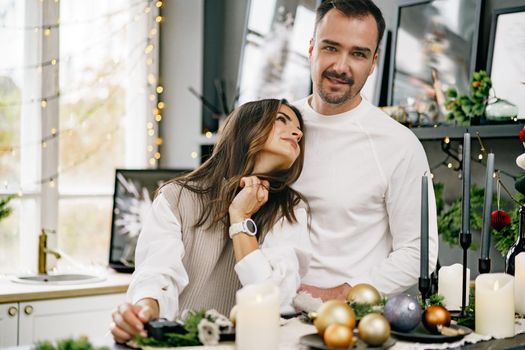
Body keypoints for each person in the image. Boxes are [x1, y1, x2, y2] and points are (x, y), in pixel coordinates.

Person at [110, 99, 311, 343]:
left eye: (299, 129)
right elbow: (156, 274)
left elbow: (275, 296)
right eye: (281, 119)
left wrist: (240, 220)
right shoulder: (177, 197)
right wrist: (143, 311)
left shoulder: (290, 209)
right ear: (247, 127)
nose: (298, 133)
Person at [293, 0, 438, 301]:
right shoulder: (272, 128)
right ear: (311, 48)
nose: (341, 67)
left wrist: (344, 293)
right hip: (266, 312)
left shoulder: (398, 144)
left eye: (357, 54)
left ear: (373, 62)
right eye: (330, 48)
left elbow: (418, 251)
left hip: (352, 324)